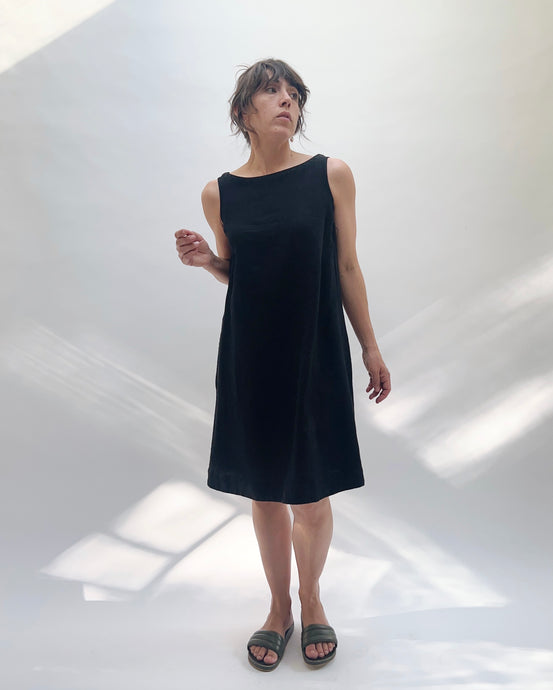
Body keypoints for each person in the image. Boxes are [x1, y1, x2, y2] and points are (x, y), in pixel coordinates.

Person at [174, 58, 391, 672]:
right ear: (242, 111)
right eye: (271, 91)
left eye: (293, 92)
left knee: (311, 493)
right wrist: (208, 263)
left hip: (315, 349)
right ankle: (278, 608)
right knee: (265, 492)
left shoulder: (330, 175)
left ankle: (312, 598)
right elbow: (237, 271)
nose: (286, 100)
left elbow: (346, 266)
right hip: (251, 354)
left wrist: (370, 347)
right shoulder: (220, 192)